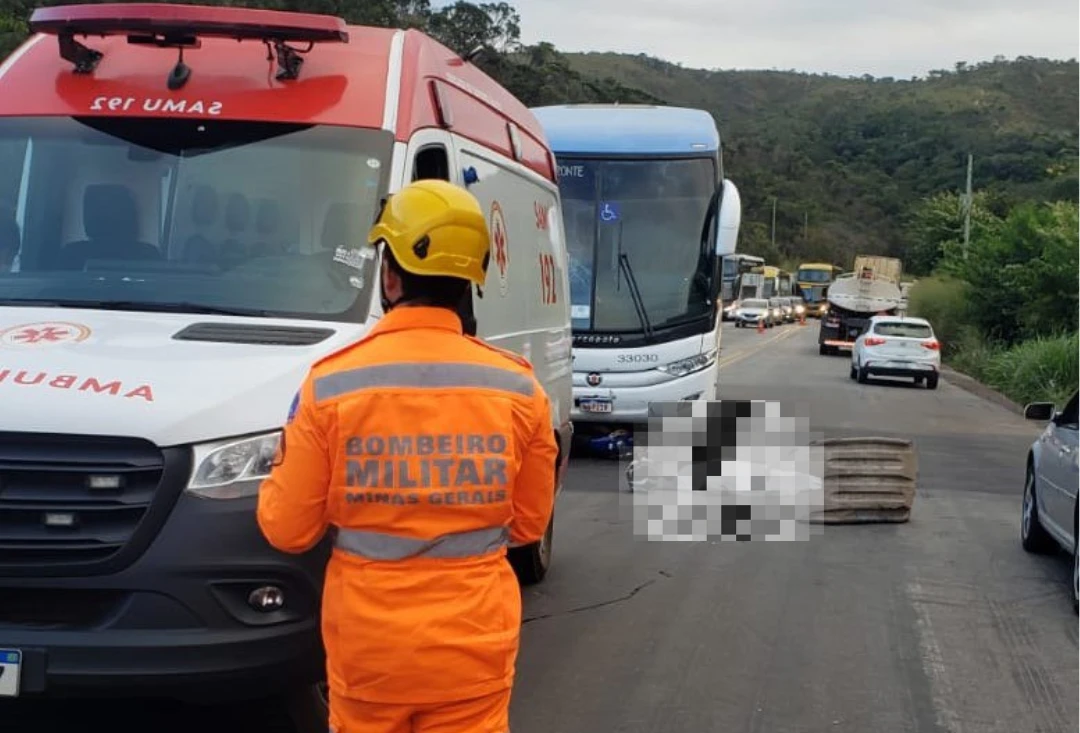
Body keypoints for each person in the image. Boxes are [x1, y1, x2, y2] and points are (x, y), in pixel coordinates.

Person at [256, 179, 558, 733]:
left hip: (370, 652)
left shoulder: (331, 385)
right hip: (473, 649)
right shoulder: (520, 391)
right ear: (472, 278)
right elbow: (528, 526)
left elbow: (286, 529)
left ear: (390, 276)